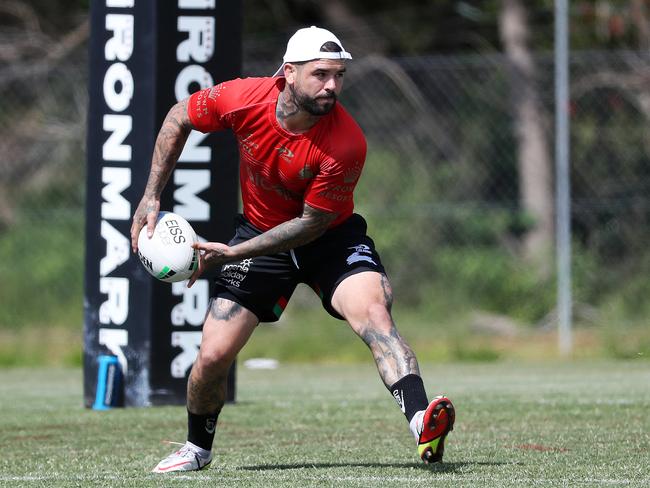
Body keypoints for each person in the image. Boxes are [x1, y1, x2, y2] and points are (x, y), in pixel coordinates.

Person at [130, 26, 454, 473]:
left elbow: (310, 224)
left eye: (339, 75)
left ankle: (422, 421)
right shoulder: (242, 98)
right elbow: (177, 116)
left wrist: (231, 254)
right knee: (212, 355)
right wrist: (151, 195)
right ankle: (197, 448)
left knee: (375, 315)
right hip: (260, 231)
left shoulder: (346, 143)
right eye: (321, 74)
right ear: (289, 73)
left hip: (331, 238)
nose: (332, 86)